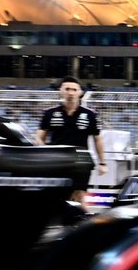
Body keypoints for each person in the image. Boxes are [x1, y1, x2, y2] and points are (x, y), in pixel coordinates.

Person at [36, 76, 106, 207]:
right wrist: (44, 151)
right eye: (67, 89)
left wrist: (102, 163)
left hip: (81, 160)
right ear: (61, 91)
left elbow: (98, 139)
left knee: (79, 195)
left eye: (74, 89)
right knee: (55, 195)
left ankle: (80, 224)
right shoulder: (50, 113)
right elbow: (39, 136)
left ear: (80, 92)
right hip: (56, 159)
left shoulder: (90, 115)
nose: (70, 92)